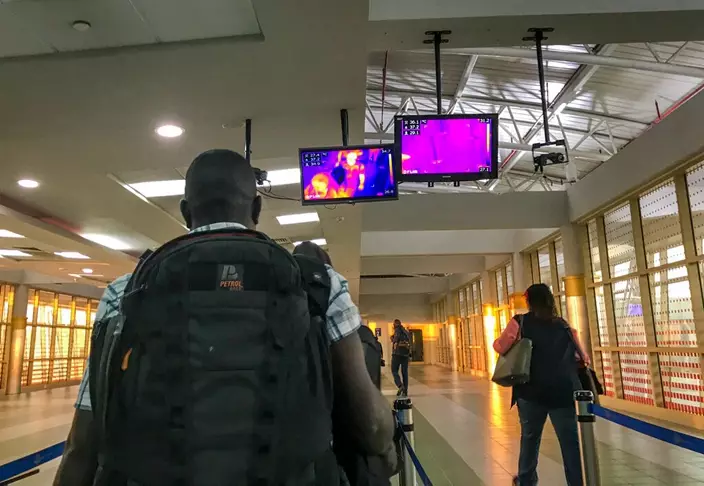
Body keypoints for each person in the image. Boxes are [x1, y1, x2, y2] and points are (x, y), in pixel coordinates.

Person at [54, 150, 395, 486]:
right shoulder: (317, 286)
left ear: (185, 211)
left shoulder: (126, 291)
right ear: (257, 208)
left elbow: (84, 443)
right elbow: (371, 428)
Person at [493, 283, 590, 486]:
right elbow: (583, 358)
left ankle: (526, 480)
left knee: (530, 438)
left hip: (531, 392)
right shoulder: (563, 325)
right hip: (563, 393)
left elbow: (500, 346)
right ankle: (576, 482)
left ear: (529, 301)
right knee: (570, 443)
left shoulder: (520, 322)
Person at [390, 319, 411, 397]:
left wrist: (392, 338)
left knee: (394, 370)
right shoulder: (406, 332)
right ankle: (405, 391)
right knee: (404, 372)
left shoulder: (397, 331)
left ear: (394, 325)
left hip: (397, 354)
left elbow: (395, 341)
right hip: (405, 355)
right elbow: (409, 343)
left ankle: (400, 385)